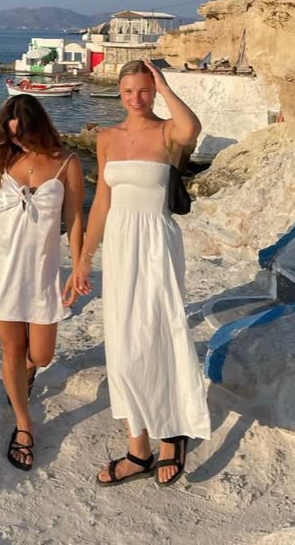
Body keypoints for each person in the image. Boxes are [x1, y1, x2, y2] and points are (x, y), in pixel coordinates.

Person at [74, 58, 210, 487]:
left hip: (157, 244)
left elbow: (192, 128)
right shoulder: (107, 138)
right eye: (129, 91)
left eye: (145, 90)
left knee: (160, 333)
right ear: (119, 92)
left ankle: (172, 434)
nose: (136, 99)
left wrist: (165, 84)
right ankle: (139, 448)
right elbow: (101, 203)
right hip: (119, 246)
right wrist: (83, 257)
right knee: (123, 342)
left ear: (153, 91)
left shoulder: (168, 133)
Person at [0, 94, 85, 471]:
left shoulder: (67, 163)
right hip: (0, 265)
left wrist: (80, 264)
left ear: (40, 127)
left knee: (43, 355)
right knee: (10, 349)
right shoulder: (3, 158)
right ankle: (23, 425)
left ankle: (27, 372)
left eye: (23, 134)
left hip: (42, 273)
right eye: (12, 135)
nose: (18, 141)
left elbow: (76, 219)